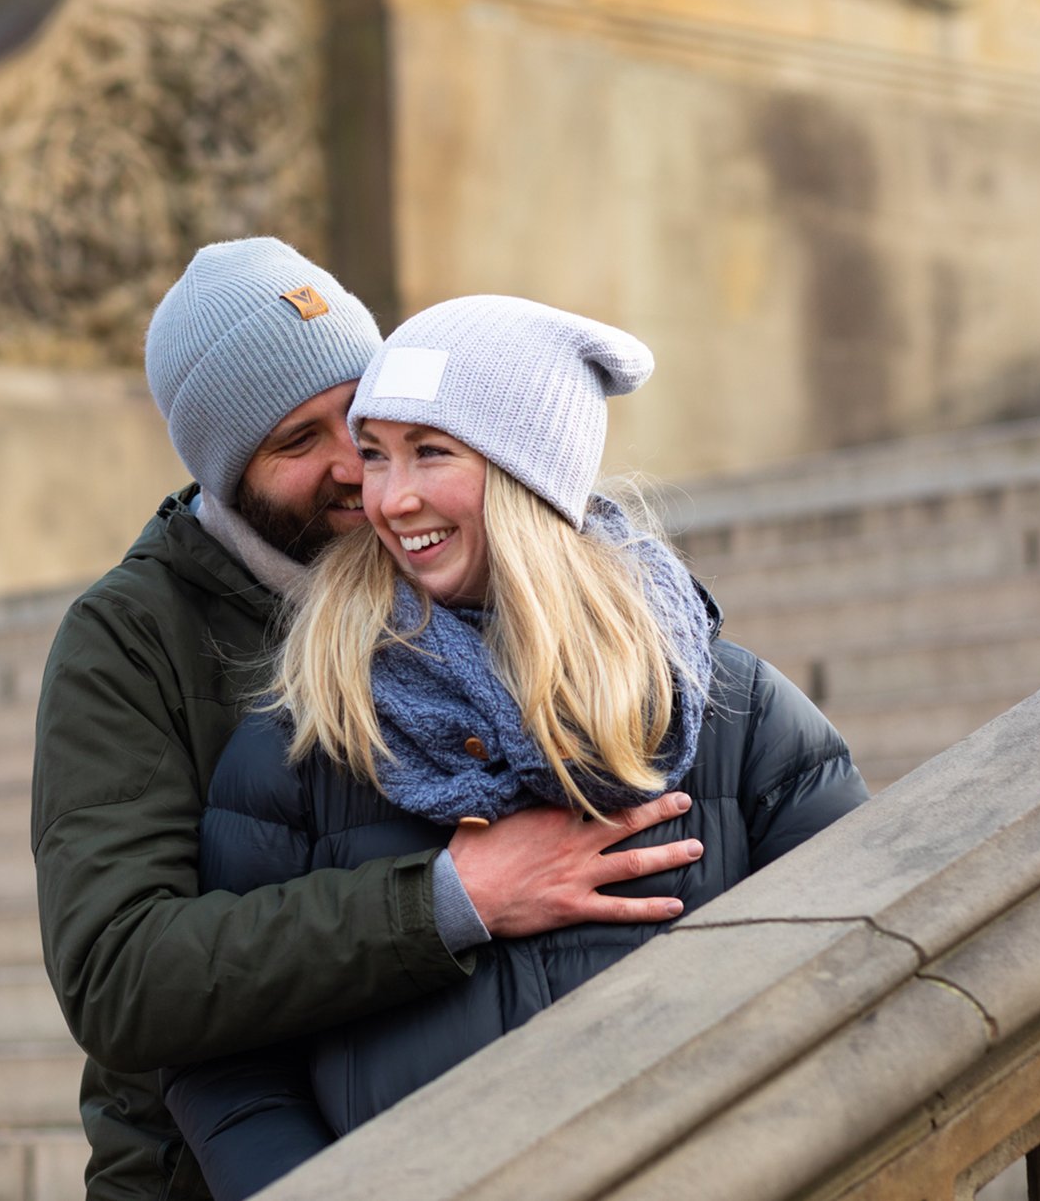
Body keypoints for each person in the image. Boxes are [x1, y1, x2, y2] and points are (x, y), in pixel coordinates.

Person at [33, 241, 708, 1200]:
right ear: (227, 473)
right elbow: (120, 973)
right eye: (297, 442)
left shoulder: (481, 577)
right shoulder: (132, 639)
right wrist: (447, 899)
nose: (361, 468)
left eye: (363, 414)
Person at [161, 295, 870, 1199]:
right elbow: (226, 1060)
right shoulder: (306, 742)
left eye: (431, 452)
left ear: (530, 472)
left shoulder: (738, 715)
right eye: (375, 453)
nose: (388, 497)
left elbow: (861, 978)